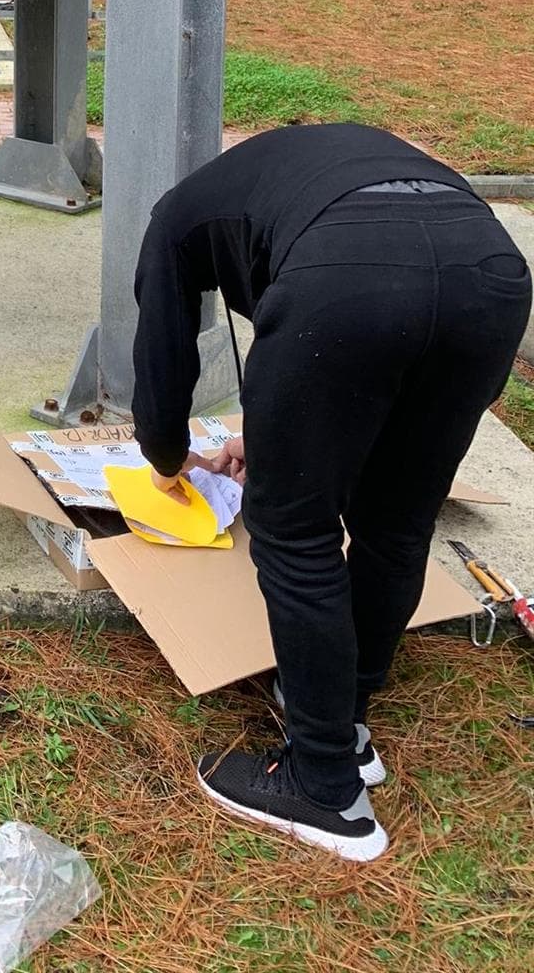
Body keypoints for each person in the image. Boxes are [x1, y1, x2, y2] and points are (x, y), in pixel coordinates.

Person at [130, 121, 531, 862]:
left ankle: (324, 789)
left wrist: (165, 458)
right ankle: (344, 725)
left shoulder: (176, 219)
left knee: (292, 529)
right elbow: (370, 359)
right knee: (397, 521)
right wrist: (282, 430)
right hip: (490, 273)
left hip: (350, 283)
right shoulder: (310, 167)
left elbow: (162, 357)